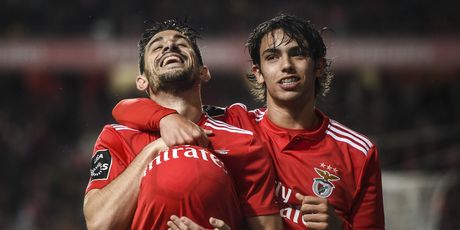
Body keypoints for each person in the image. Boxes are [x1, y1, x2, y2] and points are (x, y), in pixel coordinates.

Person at [113, 14, 385, 230]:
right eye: (272, 57)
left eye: (298, 54)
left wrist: (341, 229)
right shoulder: (235, 123)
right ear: (258, 73)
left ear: (319, 66)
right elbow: (128, 108)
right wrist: (166, 117)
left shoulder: (358, 152)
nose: (286, 65)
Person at [83, 19, 282, 230]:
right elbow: (99, 223)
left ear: (203, 72)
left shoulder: (243, 141)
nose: (169, 46)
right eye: (157, 46)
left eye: (181, 43)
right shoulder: (117, 136)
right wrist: (156, 148)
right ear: (142, 81)